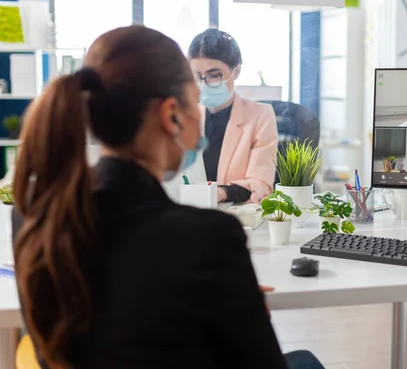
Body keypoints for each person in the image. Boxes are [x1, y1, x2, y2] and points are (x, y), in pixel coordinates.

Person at [11, 26, 324, 369]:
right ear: (171, 113)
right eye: (194, 97)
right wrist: (243, 309)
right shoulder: (210, 237)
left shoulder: (35, 216)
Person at [188, 29, 278, 204]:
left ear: (236, 71)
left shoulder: (260, 116)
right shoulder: (185, 116)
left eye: (214, 75)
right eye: (198, 76)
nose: (204, 83)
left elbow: (260, 185)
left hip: (237, 217)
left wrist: (220, 193)